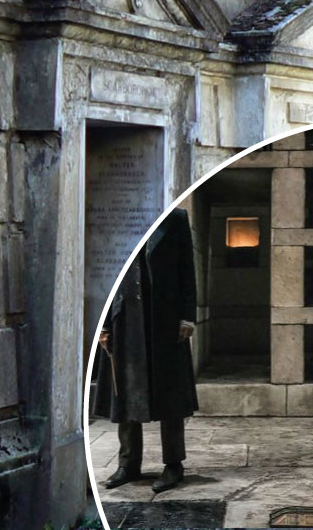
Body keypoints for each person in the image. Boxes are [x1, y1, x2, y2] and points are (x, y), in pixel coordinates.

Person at [97, 206, 198, 493]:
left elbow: (186, 270)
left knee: (170, 392)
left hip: (164, 320)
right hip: (125, 317)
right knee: (126, 391)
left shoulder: (176, 218)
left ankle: (173, 464)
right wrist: (104, 324)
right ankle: (128, 464)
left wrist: (187, 316)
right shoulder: (118, 212)